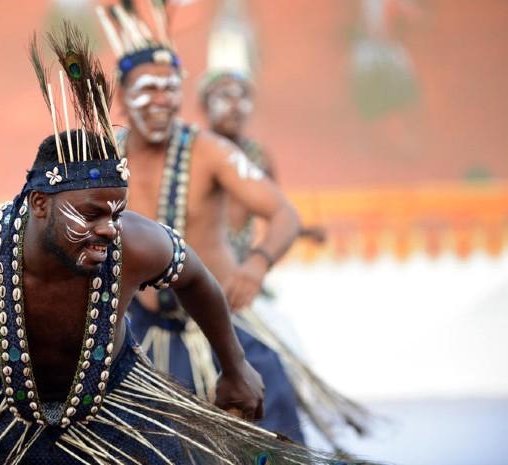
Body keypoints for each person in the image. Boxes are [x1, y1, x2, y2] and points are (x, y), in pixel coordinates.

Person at [0, 26, 345, 465]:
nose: (108, 228)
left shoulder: (135, 240)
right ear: (40, 204)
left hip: (115, 406)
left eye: (117, 212)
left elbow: (196, 278)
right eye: (90, 214)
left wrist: (235, 364)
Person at [97, 3, 367, 444]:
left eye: (170, 89)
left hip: (220, 328)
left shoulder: (209, 151)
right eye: (148, 89)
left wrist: (256, 264)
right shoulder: (104, 156)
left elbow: (284, 213)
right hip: (137, 330)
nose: (161, 100)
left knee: (268, 391)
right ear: (123, 96)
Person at [197, 1, 370, 449]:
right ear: (205, 105)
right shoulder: (192, 153)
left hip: (243, 288)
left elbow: (277, 209)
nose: (234, 106)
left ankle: (315, 444)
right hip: (197, 288)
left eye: (242, 97)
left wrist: (286, 242)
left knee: (285, 357)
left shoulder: (254, 157)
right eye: (223, 96)